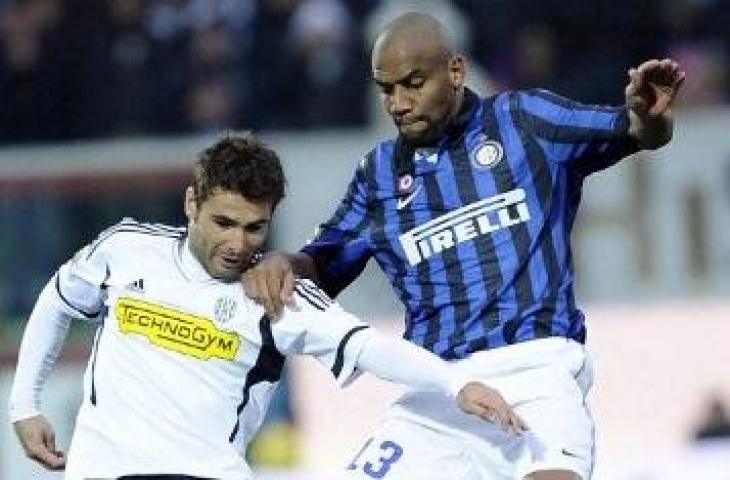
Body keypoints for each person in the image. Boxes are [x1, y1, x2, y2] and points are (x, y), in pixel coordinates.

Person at [242, 12, 686, 480]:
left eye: (413, 83)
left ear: (455, 71)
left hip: (537, 374)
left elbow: (638, 131)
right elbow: (322, 265)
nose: (399, 103)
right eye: (386, 89)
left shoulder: (524, 120)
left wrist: (645, 113)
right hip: (436, 393)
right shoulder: (379, 175)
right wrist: (282, 263)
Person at [7, 132, 526, 480]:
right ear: (192, 204)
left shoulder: (277, 297)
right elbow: (57, 300)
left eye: (254, 228)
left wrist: (455, 383)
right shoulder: (125, 248)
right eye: (223, 223)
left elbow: (366, 346)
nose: (238, 243)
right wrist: (24, 404)